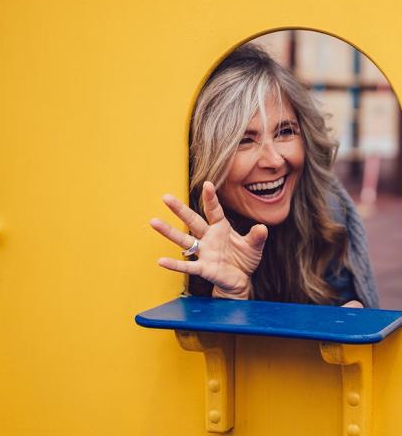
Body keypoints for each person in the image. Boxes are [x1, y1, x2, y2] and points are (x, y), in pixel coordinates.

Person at [150, 43, 379, 308]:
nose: (274, 160)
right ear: (202, 157)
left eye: (285, 132)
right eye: (244, 140)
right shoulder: (178, 244)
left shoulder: (325, 211)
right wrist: (231, 296)